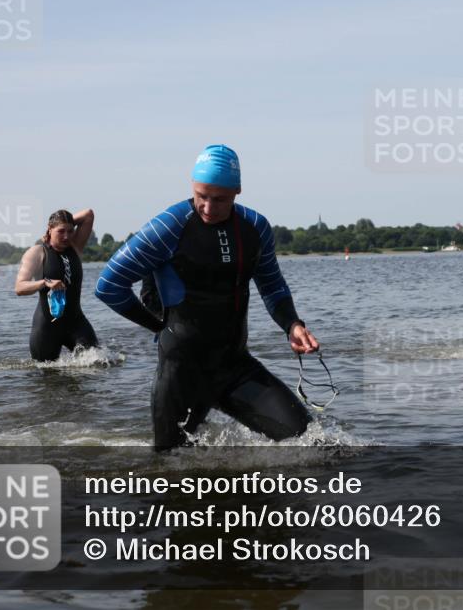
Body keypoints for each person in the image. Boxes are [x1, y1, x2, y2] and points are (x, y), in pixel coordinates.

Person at [95, 144, 318, 450]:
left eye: (220, 199)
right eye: (202, 196)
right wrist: (157, 327)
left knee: (313, 443)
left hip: (236, 367)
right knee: (170, 470)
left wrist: (292, 325)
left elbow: (273, 286)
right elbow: (108, 284)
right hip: (180, 374)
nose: (209, 208)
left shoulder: (255, 228)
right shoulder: (168, 227)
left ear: (237, 191)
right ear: (192, 187)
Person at [15, 209, 99, 360]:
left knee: (98, 363)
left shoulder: (75, 247)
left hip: (76, 323)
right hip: (47, 328)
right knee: (46, 376)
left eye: (70, 231)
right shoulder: (37, 252)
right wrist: (45, 282)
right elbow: (19, 288)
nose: (66, 236)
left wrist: (64, 220)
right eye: (61, 231)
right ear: (50, 229)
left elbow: (88, 214)